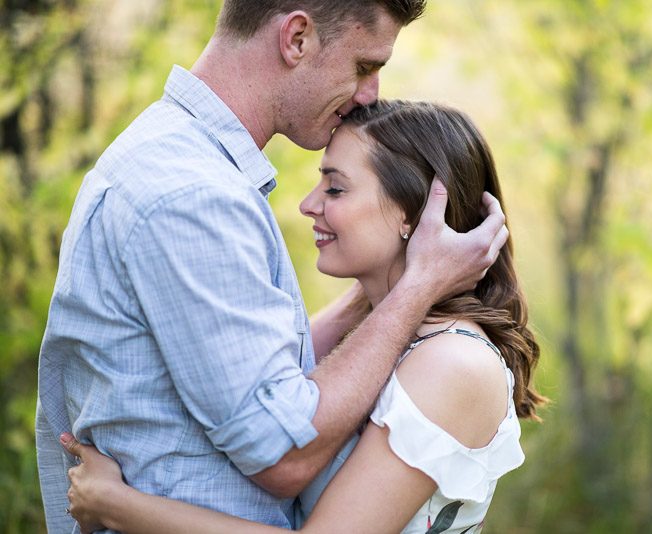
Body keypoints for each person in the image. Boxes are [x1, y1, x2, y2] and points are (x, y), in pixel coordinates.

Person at [35, 1, 511, 532]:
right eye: (364, 66)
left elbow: (258, 375)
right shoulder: (193, 194)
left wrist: (403, 281)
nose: (370, 93)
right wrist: (412, 284)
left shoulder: (176, 165)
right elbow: (284, 452)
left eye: (336, 187)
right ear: (297, 38)